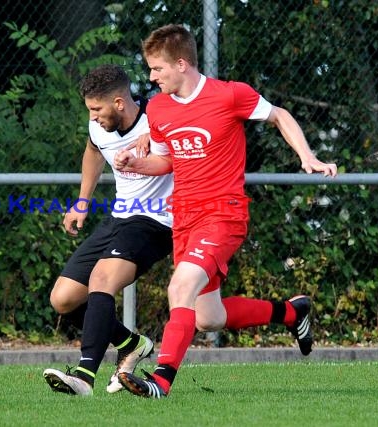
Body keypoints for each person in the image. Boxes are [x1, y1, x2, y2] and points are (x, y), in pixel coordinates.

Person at [113, 24, 338, 398]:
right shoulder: (159, 107)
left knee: (180, 287)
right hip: (184, 218)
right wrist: (136, 165)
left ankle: (161, 380)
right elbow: (166, 161)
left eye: (157, 69)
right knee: (208, 317)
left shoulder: (230, 95)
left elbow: (279, 115)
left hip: (223, 214)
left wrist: (308, 157)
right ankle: (292, 312)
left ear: (181, 63)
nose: (151, 77)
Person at [43, 64, 174, 396]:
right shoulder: (97, 126)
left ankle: (85, 376)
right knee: (64, 299)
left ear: (118, 103)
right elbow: (92, 151)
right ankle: (132, 344)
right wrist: (82, 202)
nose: (93, 117)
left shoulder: (158, 118)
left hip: (156, 221)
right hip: (119, 218)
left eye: (97, 109)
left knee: (102, 279)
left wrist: (156, 136)